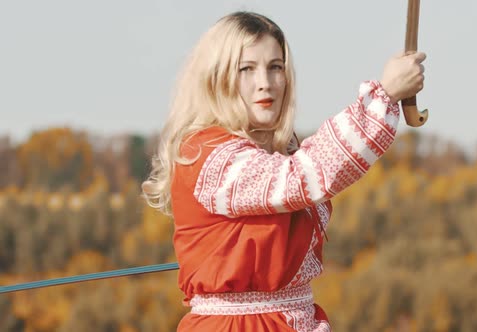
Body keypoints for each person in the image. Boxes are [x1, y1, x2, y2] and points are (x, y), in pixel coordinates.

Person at [142, 11, 426, 332]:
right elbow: (301, 177)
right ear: (217, 77)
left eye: (275, 67)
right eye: (246, 69)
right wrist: (384, 96)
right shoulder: (207, 154)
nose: (265, 83)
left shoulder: (276, 148)